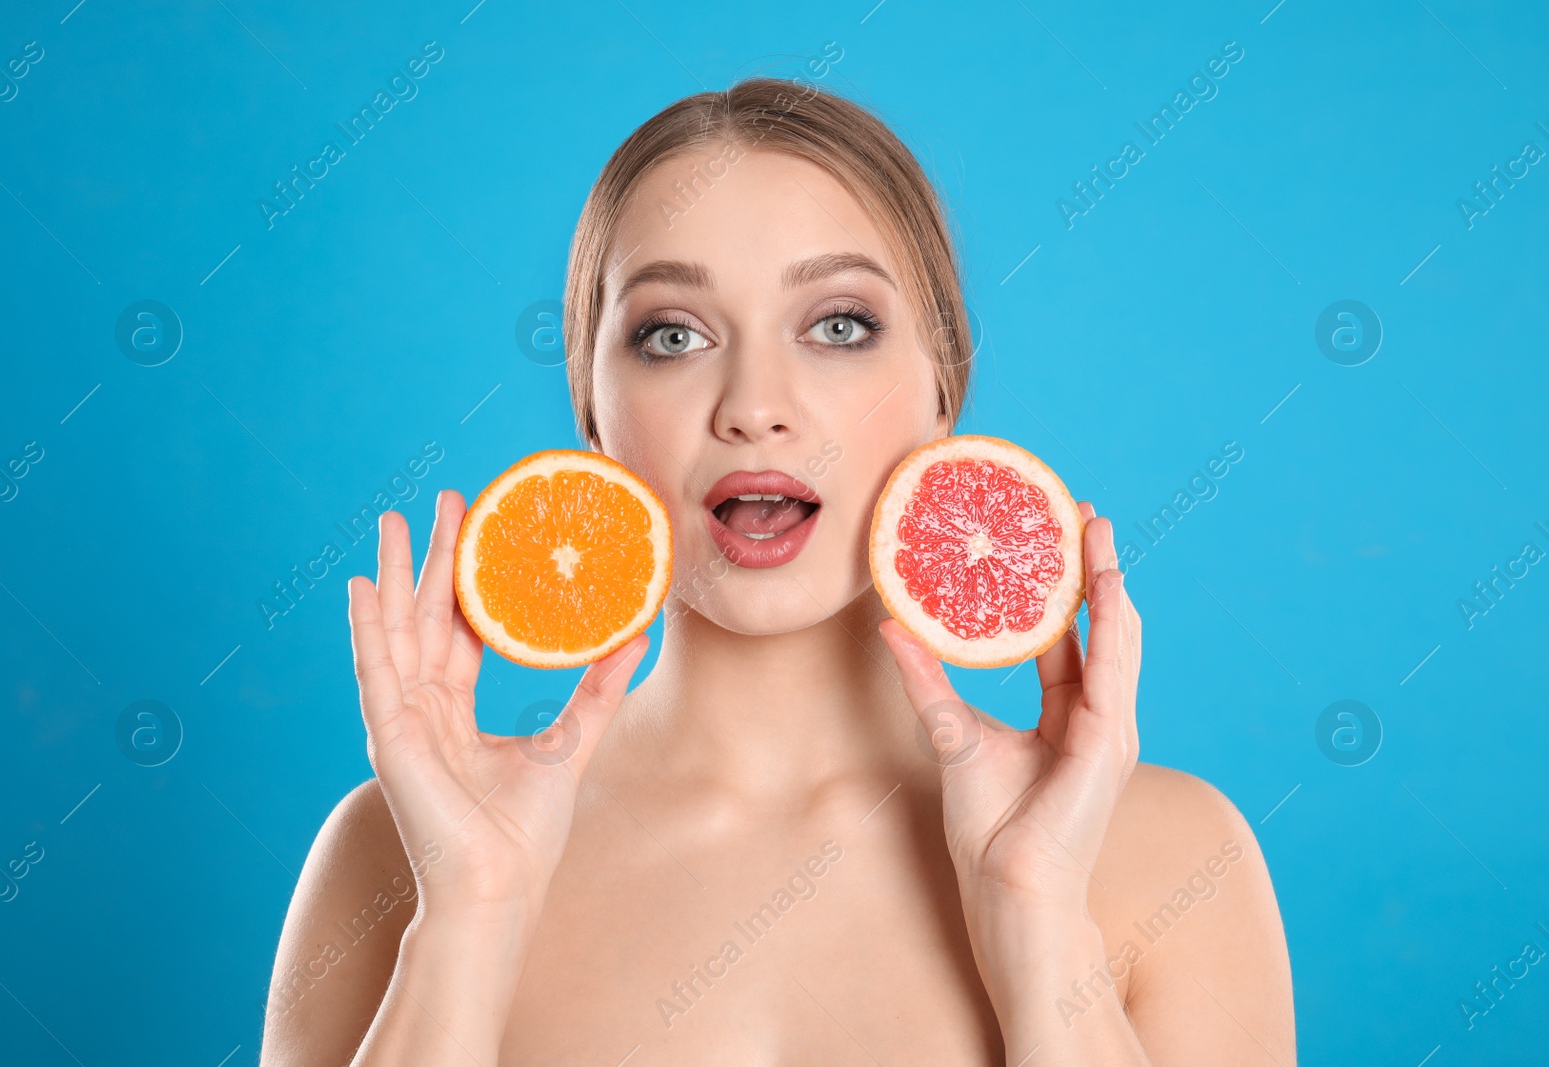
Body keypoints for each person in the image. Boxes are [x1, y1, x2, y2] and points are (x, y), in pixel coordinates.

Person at [259, 77, 1294, 1066]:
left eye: (839, 325)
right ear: (592, 414)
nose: (755, 403)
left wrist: (1042, 919)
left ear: (944, 388)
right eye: (672, 334)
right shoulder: (395, 852)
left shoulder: (1169, 858)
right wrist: (469, 911)